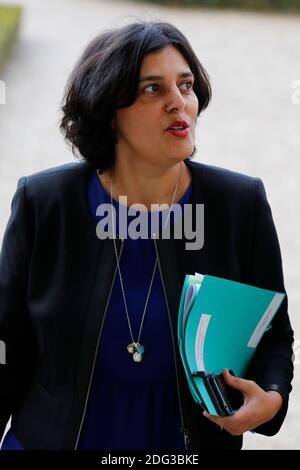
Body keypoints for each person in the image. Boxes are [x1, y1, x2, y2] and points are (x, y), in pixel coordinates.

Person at [0, 20, 294, 451]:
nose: (180, 103)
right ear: (108, 111)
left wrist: (271, 397)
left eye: (187, 85)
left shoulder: (239, 205)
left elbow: (272, 334)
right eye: (153, 89)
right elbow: (7, 345)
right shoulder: (45, 203)